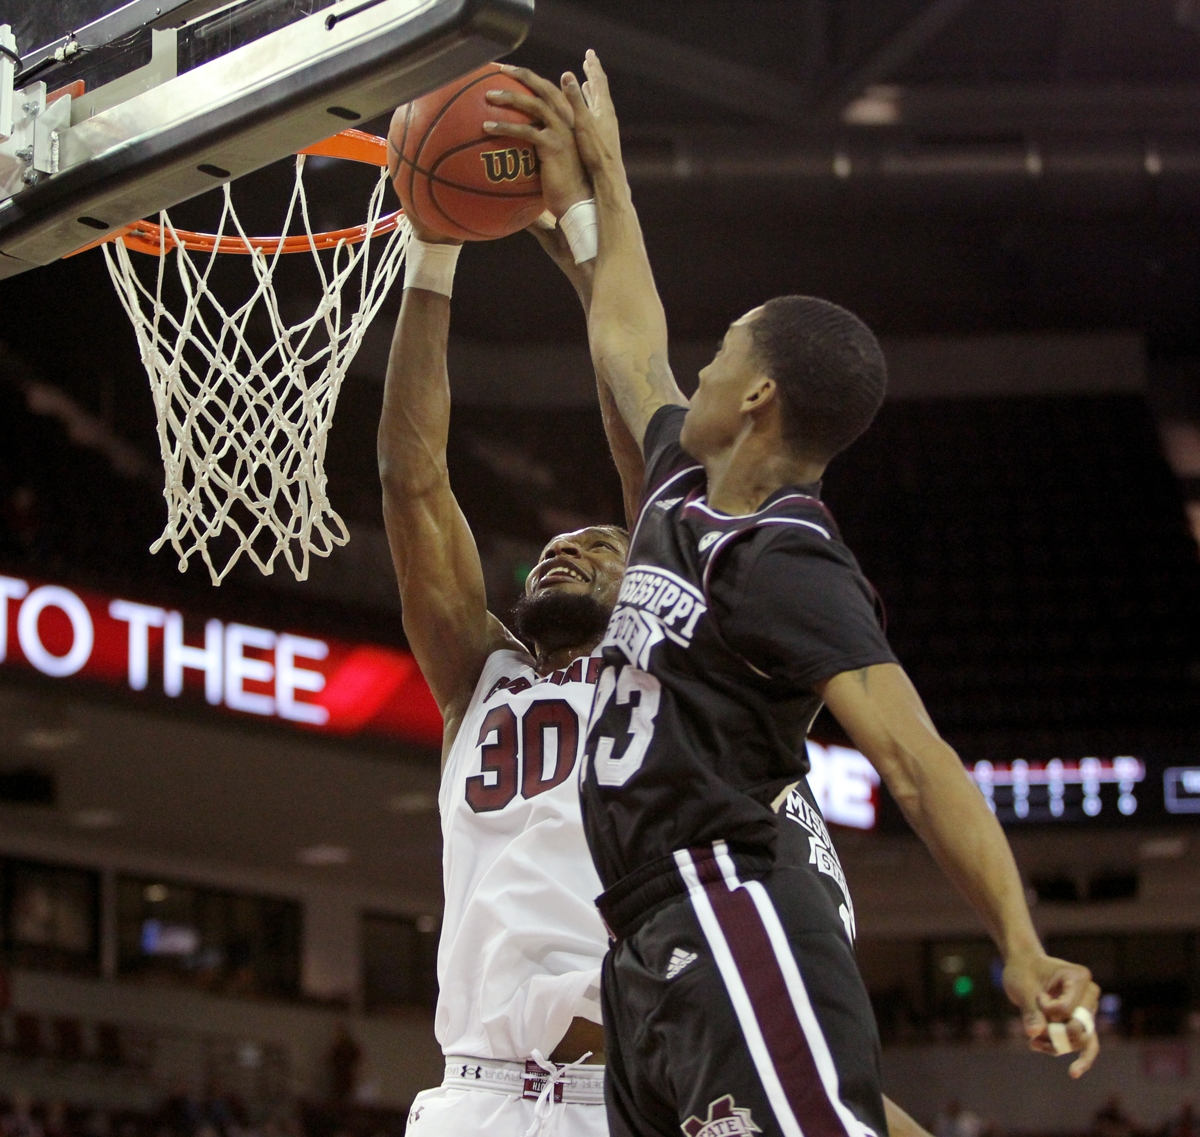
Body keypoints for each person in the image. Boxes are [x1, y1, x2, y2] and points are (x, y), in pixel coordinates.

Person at [481, 51, 1103, 1137]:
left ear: (759, 396)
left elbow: (913, 760)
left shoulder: (785, 556)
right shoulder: (681, 478)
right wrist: (601, 190)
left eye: (722, 354)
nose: (701, 368)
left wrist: (1017, 939)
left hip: (732, 911)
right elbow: (626, 334)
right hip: (643, 941)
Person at [378, 119, 934, 1137]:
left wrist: (600, 264)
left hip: (641, 1090)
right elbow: (414, 484)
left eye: (603, 544)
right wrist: (433, 254)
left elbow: (653, 451)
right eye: (553, 548)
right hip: (476, 1098)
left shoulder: (686, 672)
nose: (563, 550)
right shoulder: (478, 677)